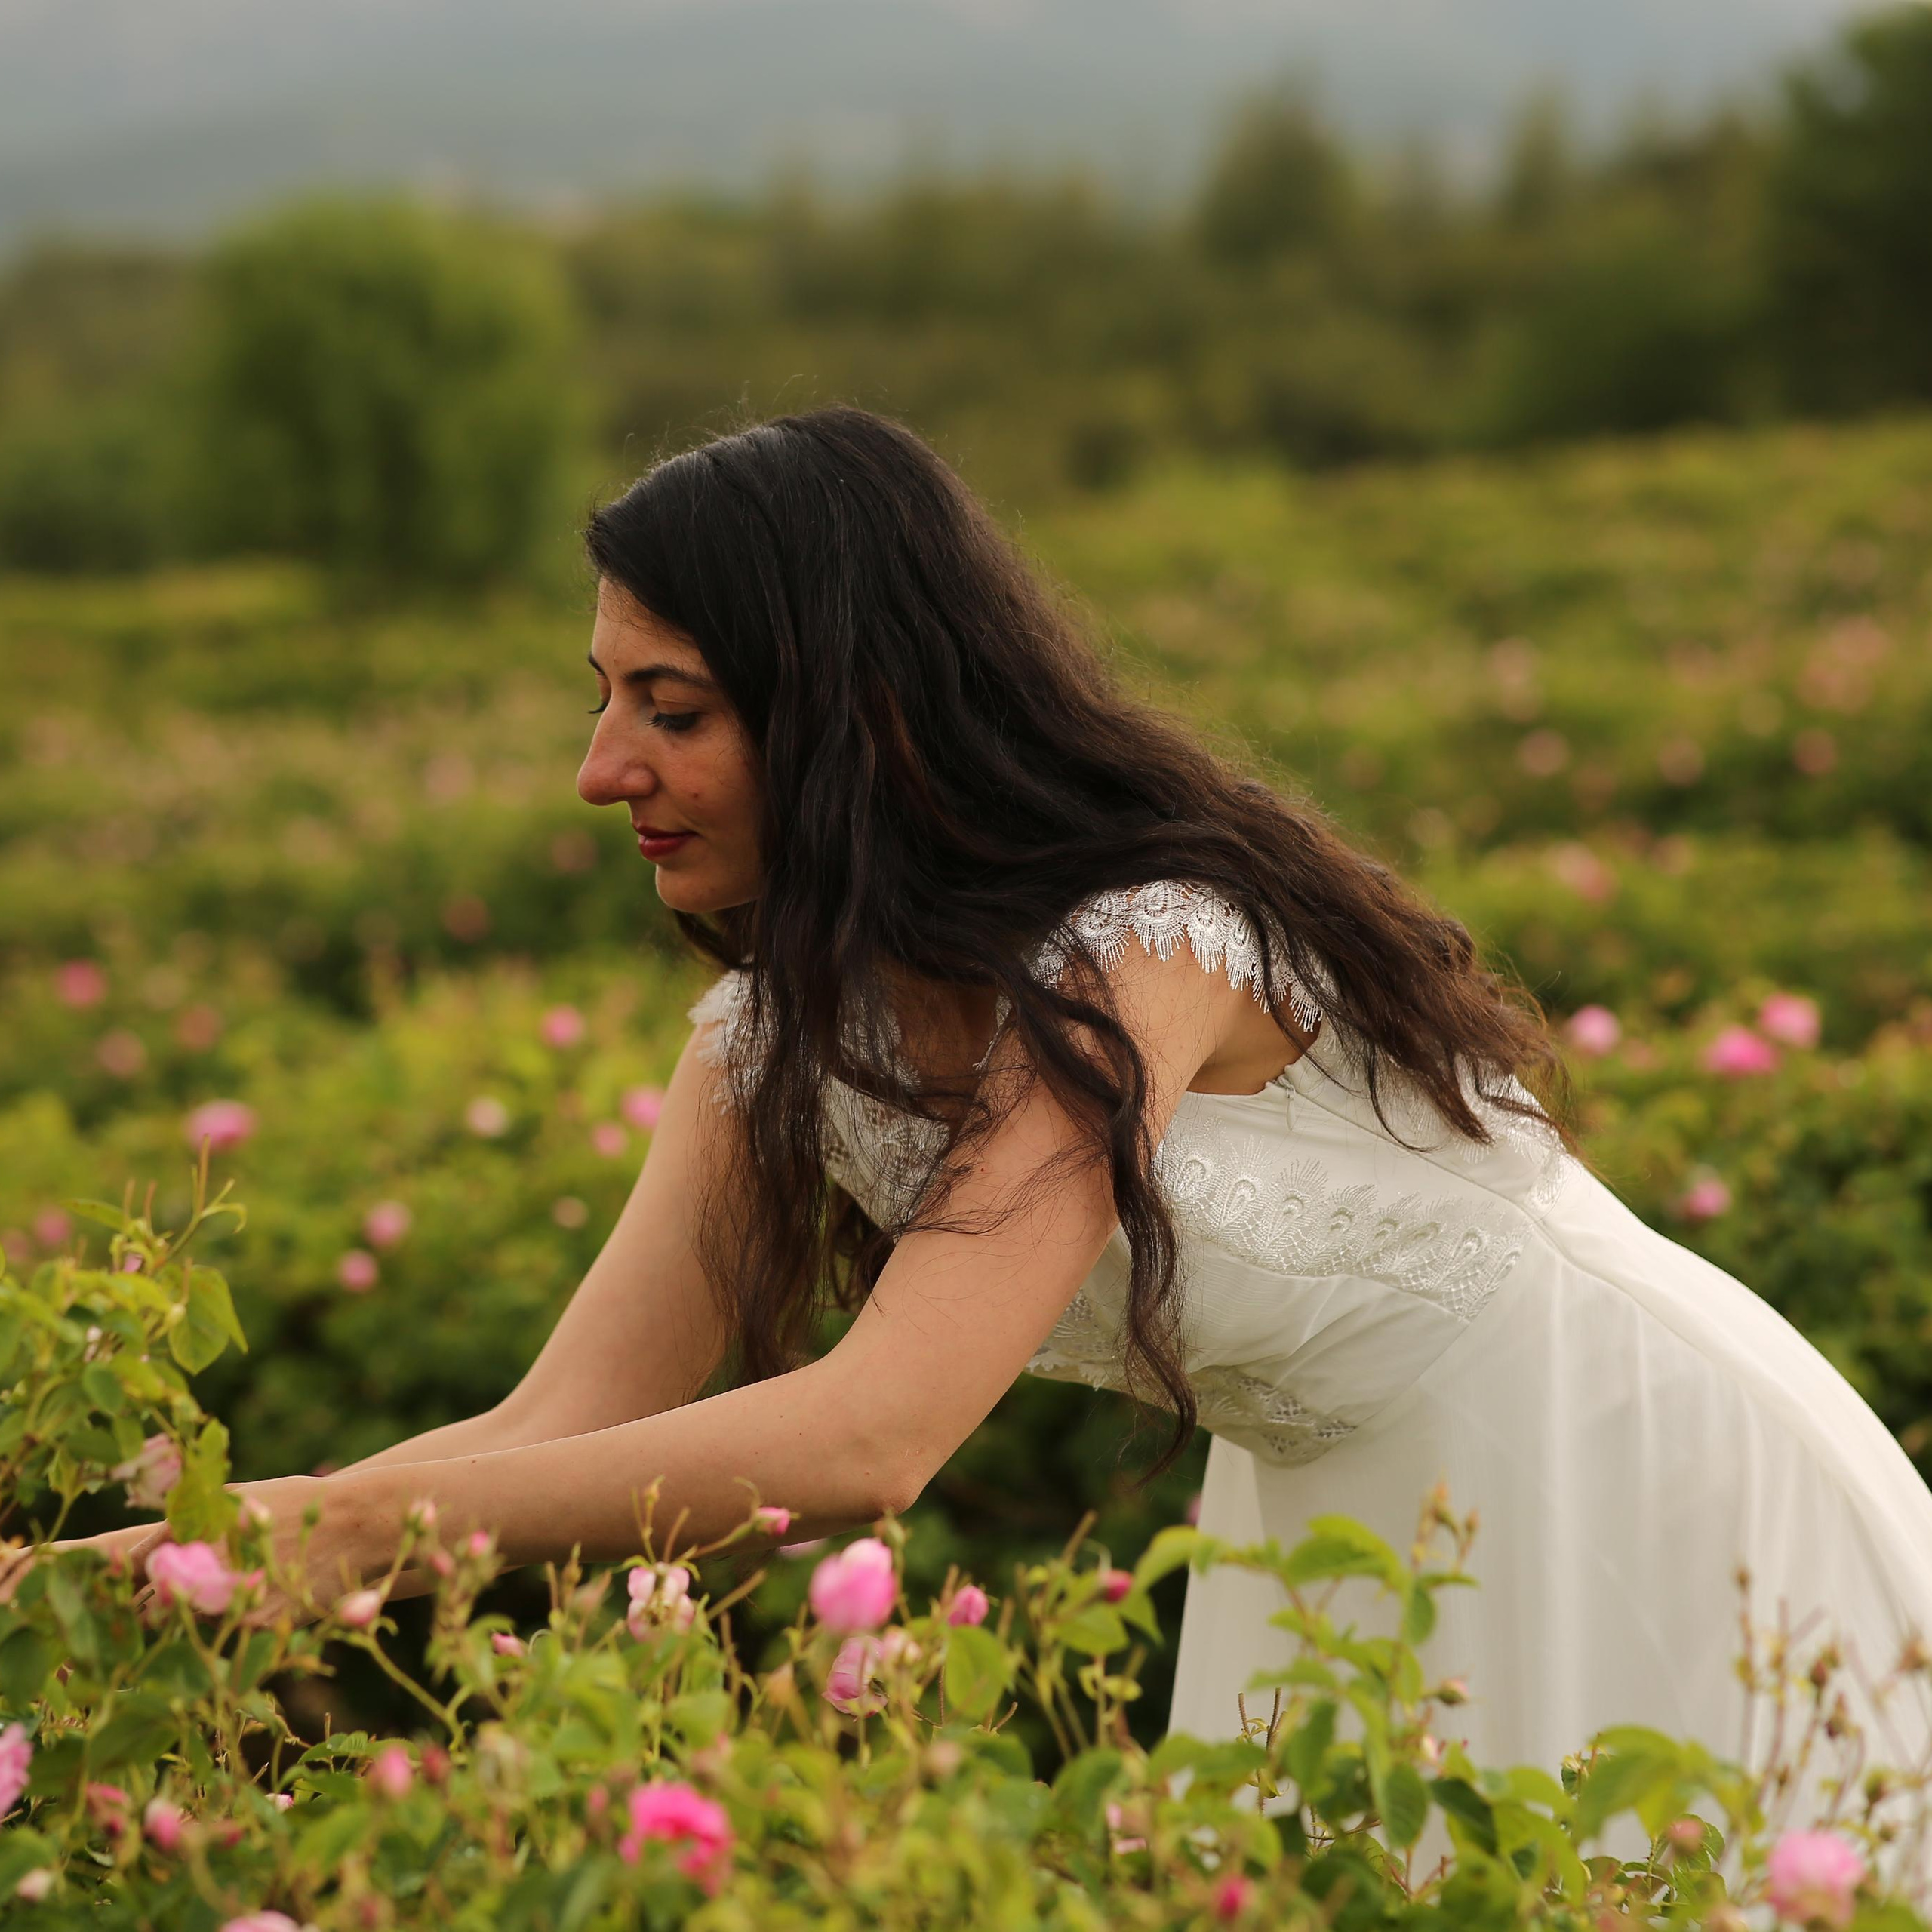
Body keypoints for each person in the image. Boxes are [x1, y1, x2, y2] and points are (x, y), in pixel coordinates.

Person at [67, 406, 1932, 1820]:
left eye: (670, 707)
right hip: (1345, 1535)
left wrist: (328, 1536)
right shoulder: (767, 1040)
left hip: (1637, 1472)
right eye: (602, 698)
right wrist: (177, 1560)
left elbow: (872, 1434)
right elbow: (560, 1422)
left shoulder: (1144, 949)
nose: (598, 767)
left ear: (849, 712)